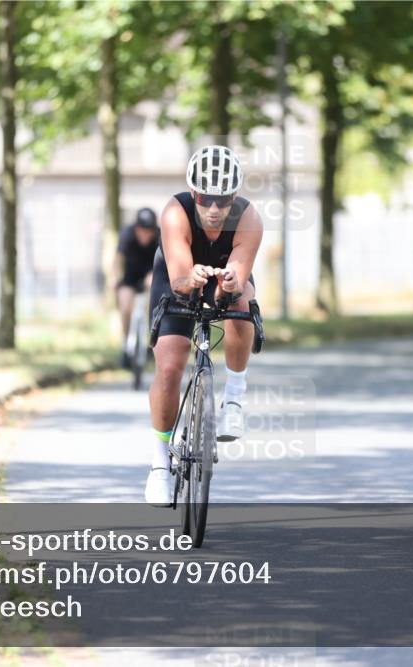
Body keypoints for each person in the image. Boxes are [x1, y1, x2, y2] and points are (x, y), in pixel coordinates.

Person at [144, 145, 263, 506]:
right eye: (206, 198)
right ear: (193, 193)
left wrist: (229, 284)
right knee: (170, 363)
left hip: (224, 275)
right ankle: (160, 463)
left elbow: (239, 278)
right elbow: (179, 278)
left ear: (235, 196)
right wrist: (190, 277)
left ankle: (234, 400)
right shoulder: (175, 212)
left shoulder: (249, 218)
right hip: (178, 279)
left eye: (223, 200)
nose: (214, 209)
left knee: (241, 304)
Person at [115, 207, 160, 367]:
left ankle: (149, 339)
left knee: (152, 304)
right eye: (142, 230)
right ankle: (125, 344)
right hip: (130, 277)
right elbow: (118, 261)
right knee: (125, 305)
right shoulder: (126, 235)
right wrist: (117, 281)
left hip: (150, 275)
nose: (145, 235)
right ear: (136, 228)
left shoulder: (160, 237)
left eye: (149, 231)